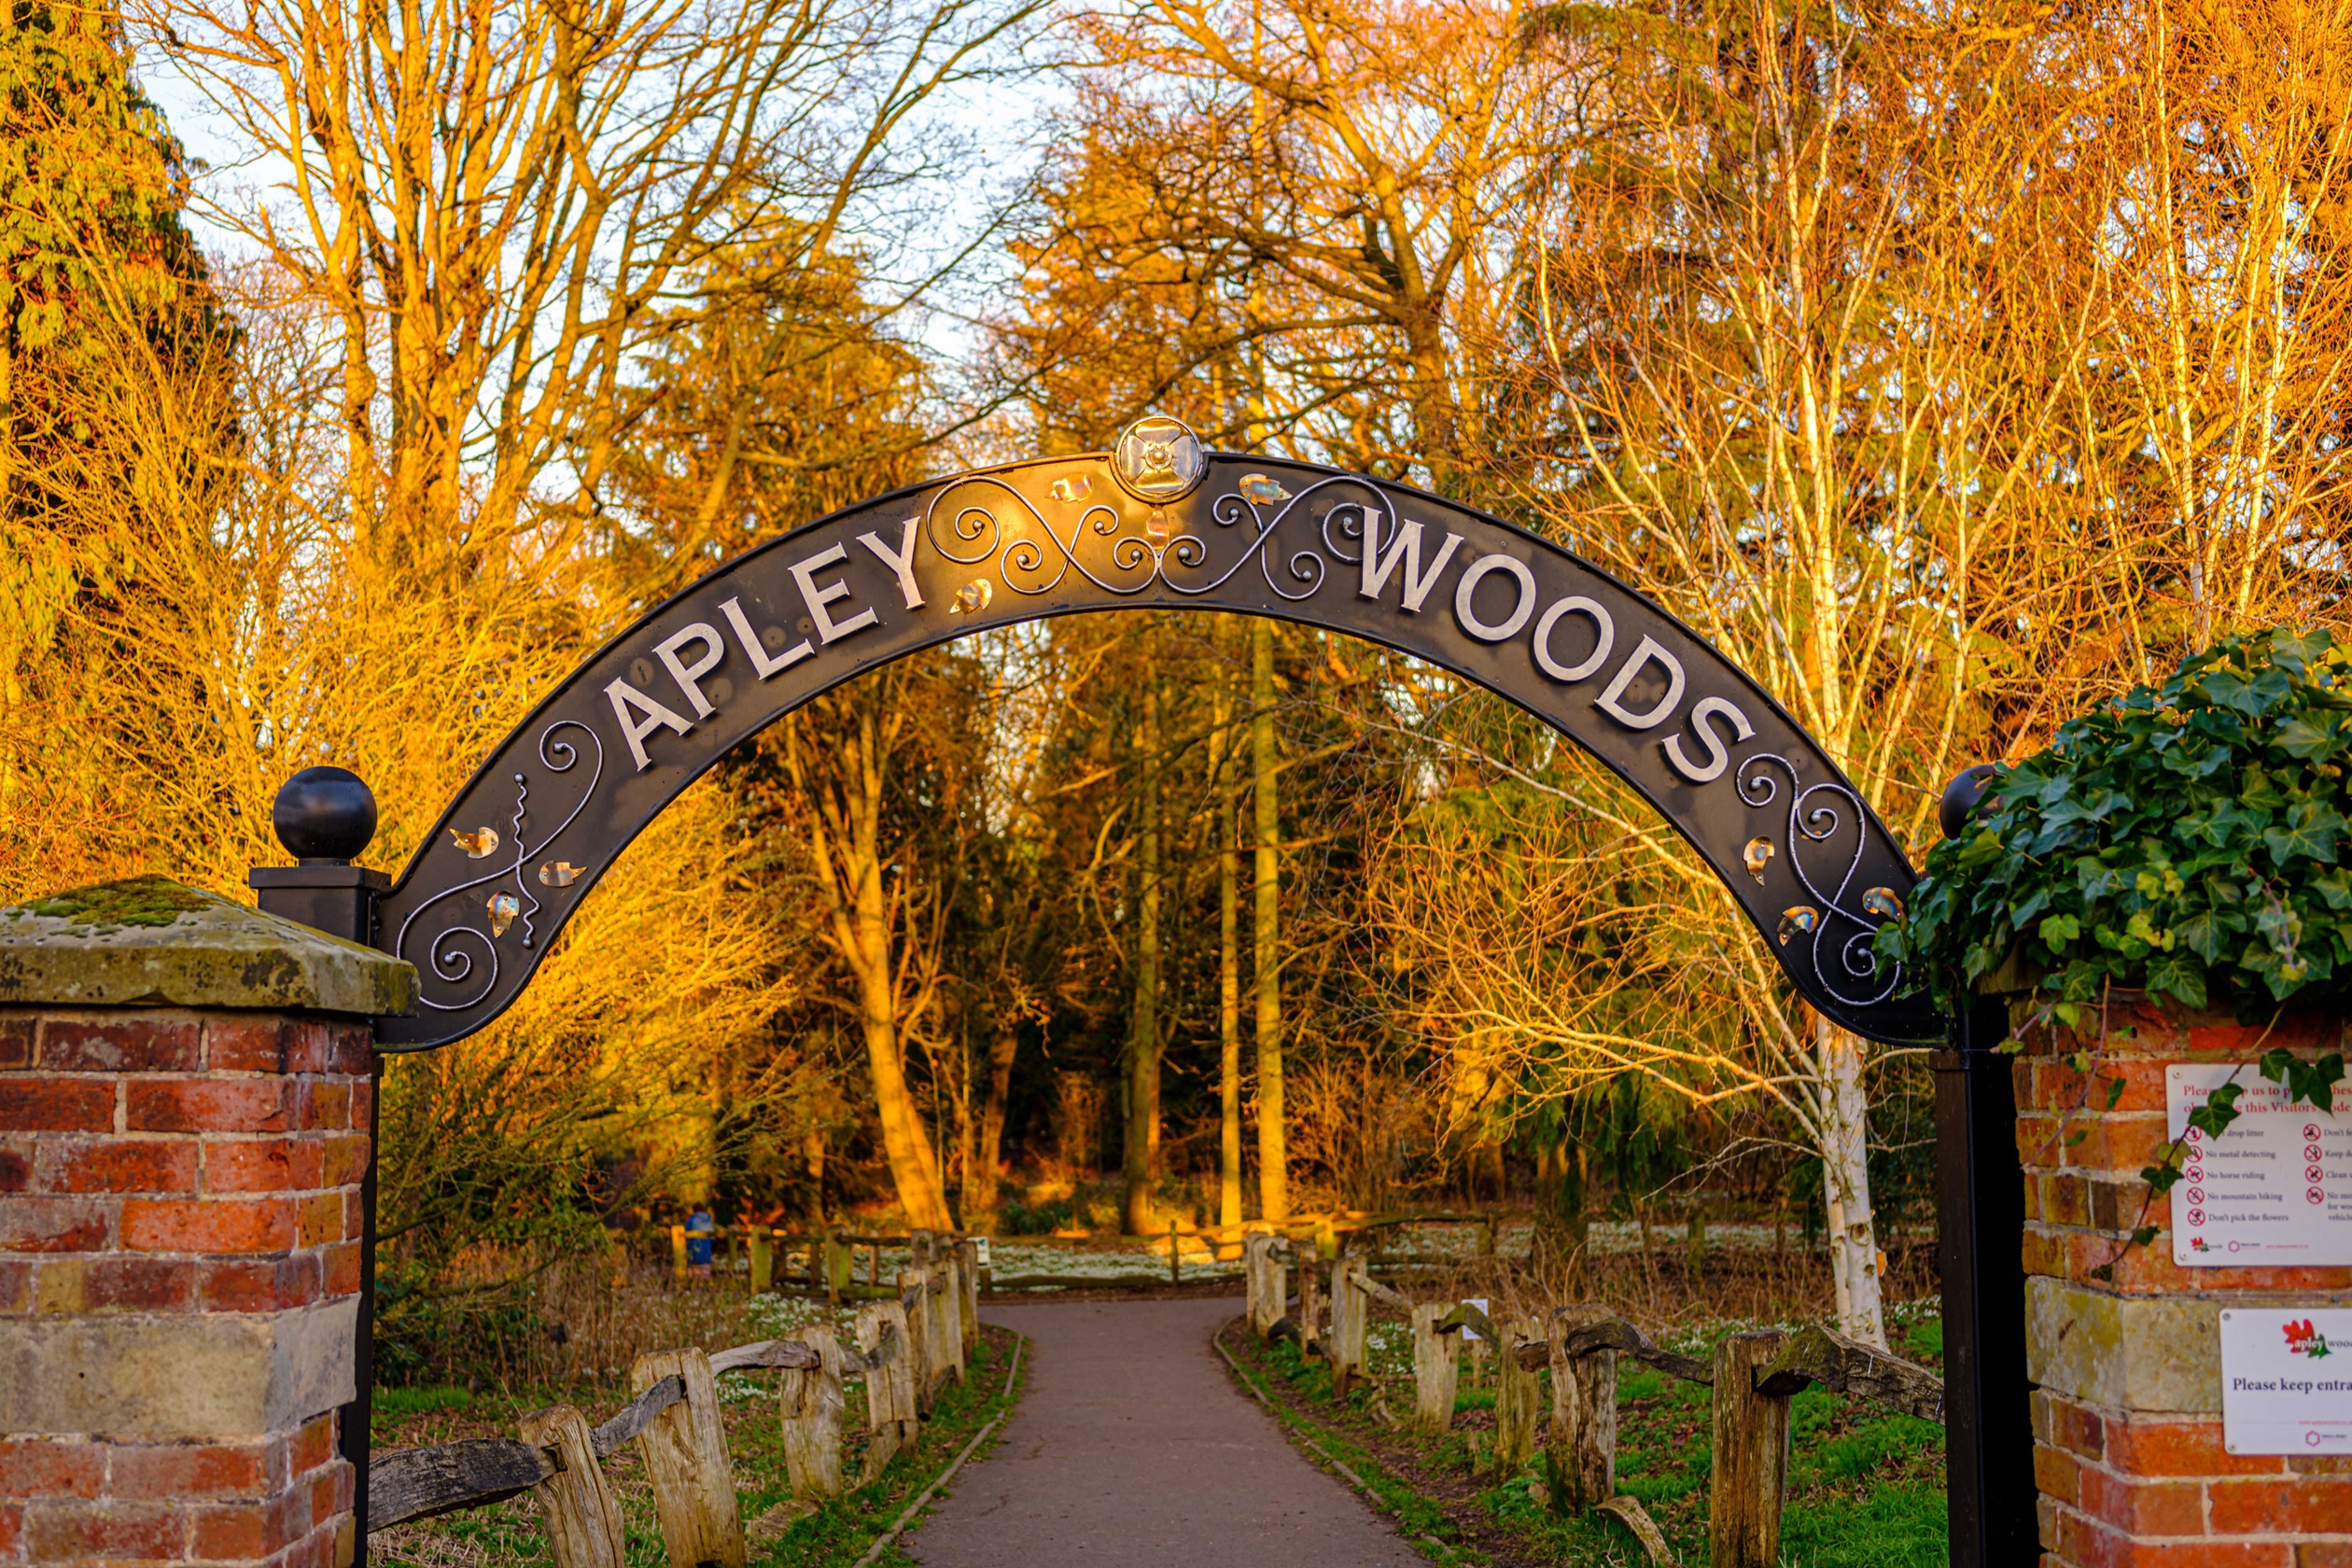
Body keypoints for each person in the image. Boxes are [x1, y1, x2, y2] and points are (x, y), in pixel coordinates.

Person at [686, 1206, 715, 1279]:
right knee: (705, 1271)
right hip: (706, 1250)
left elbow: (686, 1232)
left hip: (694, 1248)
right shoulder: (708, 1220)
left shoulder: (692, 1219)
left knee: (694, 1270)